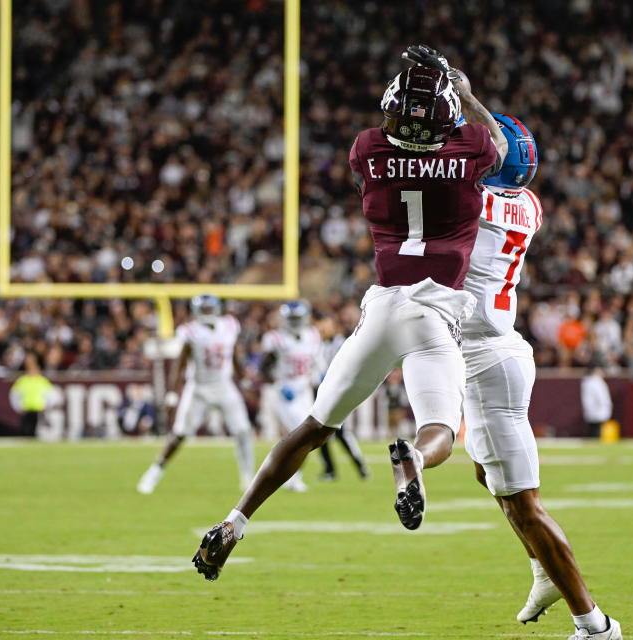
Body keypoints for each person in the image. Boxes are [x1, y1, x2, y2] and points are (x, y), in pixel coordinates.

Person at [192, 44, 506, 580]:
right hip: (434, 313)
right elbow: (497, 142)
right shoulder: (472, 145)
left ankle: (234, 521)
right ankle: (415, 460)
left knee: (314, 427)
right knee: (440, 431)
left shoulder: (368, 150)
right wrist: (462, 87)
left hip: (382, 306)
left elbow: (395, 136)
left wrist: (415, 100)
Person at [459, 114, 621, 638]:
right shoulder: (527, 205)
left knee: (523, 503)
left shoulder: (475, 200)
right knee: (489, 475)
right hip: (490, 353)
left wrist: (460, 99)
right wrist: (469, 98)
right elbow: (500, 153)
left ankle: (595, 625)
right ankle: (540, 568)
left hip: (487, 356)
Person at [137, 295, 255, 494]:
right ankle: (154, 472)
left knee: (243, 431)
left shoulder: (229, 326)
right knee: (180, 434)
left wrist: (243, 380)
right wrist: (173, 392)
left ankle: (247, 478)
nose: (208, 314)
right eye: (204, 310)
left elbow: (233, 356)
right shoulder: (190, 331)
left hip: (224, 385)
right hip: (199, 388)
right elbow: (180, 363)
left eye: (210, 309)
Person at [259, 300, 327, 491]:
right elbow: (264, 368)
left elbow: (318, 362)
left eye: (298, 318)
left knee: (306, 439)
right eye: (292, 319)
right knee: (301, 436)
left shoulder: (312, 336)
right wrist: (278, 383)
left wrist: (321, 375)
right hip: (285, 392)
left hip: (305, 391)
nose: (295, 323)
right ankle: (290, 477)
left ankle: (291, 477)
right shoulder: (275, 339)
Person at [313, 312, 370, 481]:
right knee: (319, 432)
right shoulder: (317, 345)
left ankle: (360, 465)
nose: (321, 329)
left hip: (337, 391)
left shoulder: (341, 342)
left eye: (325, 325)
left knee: (341, 433)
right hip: (320, 392)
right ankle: (329, 469)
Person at [9, 353, 54, 437]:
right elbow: (14, 395)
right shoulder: (23, 380)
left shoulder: (42, 381)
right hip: (26, 410)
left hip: (38, 410)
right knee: (25, 430)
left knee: (36, 431)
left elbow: (51, 396)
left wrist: (46, 406)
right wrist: (19, 407)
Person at [580, 366, 612, 438]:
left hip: (592, 411)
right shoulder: (596, 382)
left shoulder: (587, 382)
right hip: (597, 410)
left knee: (593, 430)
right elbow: (601, 397)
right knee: (596, 432)